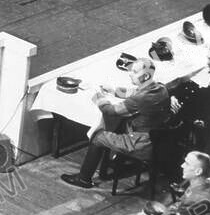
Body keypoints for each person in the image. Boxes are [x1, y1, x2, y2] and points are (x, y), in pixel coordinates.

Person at [61, 57, 170, 189]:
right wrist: (112, 90)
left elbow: (110, 110)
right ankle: (109, 161)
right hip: (159, 139)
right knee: (118, 124)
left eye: (135, 72)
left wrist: (98, 97)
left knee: (98, 137)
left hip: (142, 143)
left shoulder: (140, 98)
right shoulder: (160, 88)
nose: (130, 73)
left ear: (146, 76)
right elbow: (133, 92)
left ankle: (84, 179)